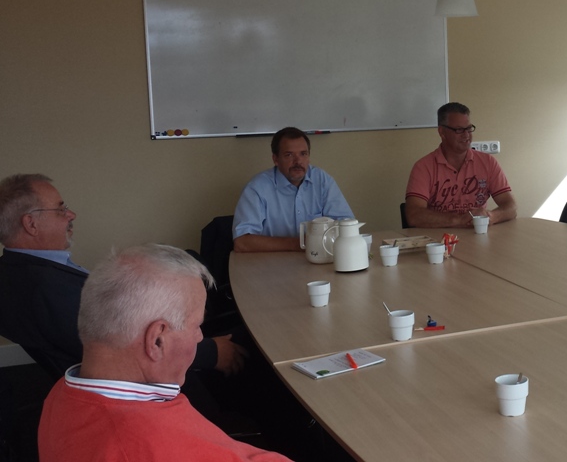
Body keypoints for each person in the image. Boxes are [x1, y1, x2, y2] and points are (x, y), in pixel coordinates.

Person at [37, 243, 292, 461]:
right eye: (197, 326)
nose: (200, 337)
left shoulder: (59, 395)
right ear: (157, 340)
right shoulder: (153, 444)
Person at [0, 174, 246, 380]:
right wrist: (213, 353)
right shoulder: (47, 289)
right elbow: (124, 347)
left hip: (147, 332)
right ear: (31, 224)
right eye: (60, 209)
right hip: (151, 376)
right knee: (245, 337)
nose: (71, 214)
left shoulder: (15, 270)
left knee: (186, 261)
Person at [233, 127, 354, 252]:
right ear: (276, 159)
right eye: (289, 155)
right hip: (271, 262)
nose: (298, 161)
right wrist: (299, 243)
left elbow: (347, 225)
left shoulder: (322, 180)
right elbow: (242, 242)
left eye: (303, 154)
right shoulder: (257, 188)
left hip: (318, 258)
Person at [405, 102, 517, 228]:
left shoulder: (488, 162)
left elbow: (511, 207)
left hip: (477, 234)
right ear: (442, 132)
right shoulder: (423, 167)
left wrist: (490, 216)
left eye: (469, 129)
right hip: (439, 237)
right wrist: (459, 220)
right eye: (459, 130)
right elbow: (414, 215)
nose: (466, 135)